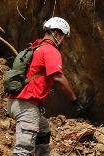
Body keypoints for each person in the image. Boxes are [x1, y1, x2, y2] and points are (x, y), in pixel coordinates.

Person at [7, 17, 85, 156]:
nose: (63, 41)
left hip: (16, 103)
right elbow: (58, 78)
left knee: (43, 130)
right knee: (23, 151)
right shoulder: (50, 50)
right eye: (63, 37)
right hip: (27, 106)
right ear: (56, 33)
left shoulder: (35, 47)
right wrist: (75, 101)